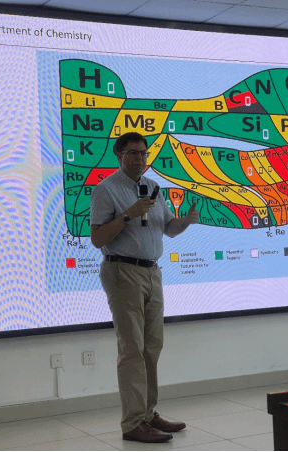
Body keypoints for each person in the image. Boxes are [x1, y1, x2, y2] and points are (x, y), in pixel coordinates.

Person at [90, 132, 199, 444]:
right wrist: (129, 214)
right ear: (119, 156)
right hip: (122, 271)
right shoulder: (105, 190)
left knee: (152, 346)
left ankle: (148, 414)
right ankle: (133, 423)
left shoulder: (152, 187)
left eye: (143, 153)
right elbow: (97, 238)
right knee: (132, 349)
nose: (140, 158)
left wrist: (186, 221)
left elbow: (168, 228)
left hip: (152, 272)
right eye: (133, 153)